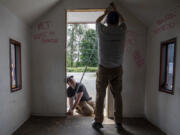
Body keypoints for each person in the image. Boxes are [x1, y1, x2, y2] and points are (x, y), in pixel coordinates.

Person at [92, 2, 127, 132]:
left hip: (104, 68)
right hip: (117, 68)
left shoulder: (102, 30)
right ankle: (118, 123)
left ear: (107, 21)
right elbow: (124, 21)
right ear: (117, 21)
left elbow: (97, 21)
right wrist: (116, 11)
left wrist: (105, 13)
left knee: (100, 95)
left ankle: (98, 122)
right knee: (118, 95)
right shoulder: (122, 30)